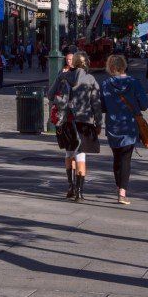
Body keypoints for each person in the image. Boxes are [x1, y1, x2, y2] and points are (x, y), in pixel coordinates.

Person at [99, 54, 148, 205]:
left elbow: (102, 106)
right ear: (124, 65)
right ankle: (122, 192)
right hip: (129, 124)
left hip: (113, 125)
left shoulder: (106, 83)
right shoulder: (133, 82)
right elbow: (145, 105)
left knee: (116, 157)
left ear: (110, 67)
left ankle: (118, 186)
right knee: (126, 159)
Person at [52, 50, 102, 201]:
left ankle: (70, 186)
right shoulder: (91, 79)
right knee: (81, 155)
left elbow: (50, 94)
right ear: (85, 62)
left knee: (68, 153)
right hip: (84, 122)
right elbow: (96, 104)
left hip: (67, 120)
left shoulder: (63, 76)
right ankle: (79, 192)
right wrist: (98, 122)